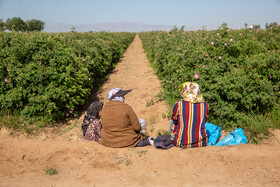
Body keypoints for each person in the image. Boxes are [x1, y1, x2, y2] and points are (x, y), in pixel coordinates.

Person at [170, 82, 209, 148]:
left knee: (173, 121)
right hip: (201, 143)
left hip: (180, 143)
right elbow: (204, 120)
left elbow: (174, 118)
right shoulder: (205, 105)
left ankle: (175, 137)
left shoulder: (179, 104)